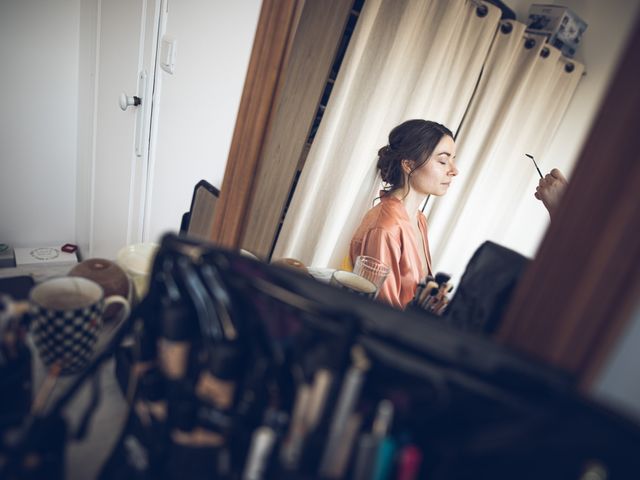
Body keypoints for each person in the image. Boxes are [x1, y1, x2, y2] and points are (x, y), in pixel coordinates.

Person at [350, 119, 458, 309]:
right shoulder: (386, 227)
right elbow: (382, 310)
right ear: (408, 165)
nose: (454, 170)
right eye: (443, 161)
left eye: (452, 160)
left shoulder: (418, 219)